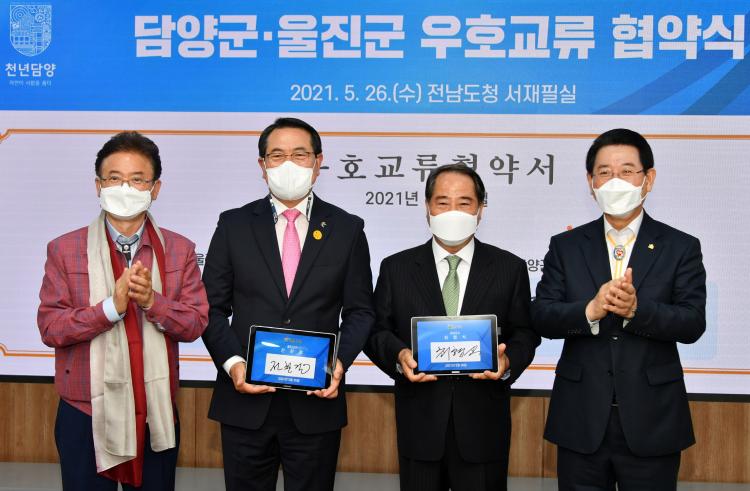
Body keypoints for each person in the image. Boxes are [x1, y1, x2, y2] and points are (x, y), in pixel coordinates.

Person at [201, 117, 375, 491]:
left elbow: (360, 311)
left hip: (316, 402)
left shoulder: (347, 228)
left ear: (318, 161)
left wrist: (339, 362)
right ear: (262, 166)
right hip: (245, 401)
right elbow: (210, 308)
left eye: (300, 154)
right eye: (277, 155)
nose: (289, 164)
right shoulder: (233, 225)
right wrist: (233, 365)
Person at [531, 128, 706, 490]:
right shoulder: (566, 246)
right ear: (590, 182)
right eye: (605, 172)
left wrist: (637, 311)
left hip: (652, 419)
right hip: (580, 418)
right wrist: (589, 311)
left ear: (648, 179)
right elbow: (542, 315)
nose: (615, 181)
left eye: (627, 171)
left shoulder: (680, 246)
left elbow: (692, 323)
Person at [37, 131, 209, 490]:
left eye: (137, 180)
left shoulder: (179, 250)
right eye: (114, 178)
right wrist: (109, 309)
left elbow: (195, 323)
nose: (125, 188)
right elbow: (51, 327)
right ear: (98, 185)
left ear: (155, 188)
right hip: (84, 410)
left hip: (155, 410)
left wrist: (152, 302)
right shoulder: (64, 249)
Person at [365, 163, 540, 491]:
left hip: (483, 427)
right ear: (427, 207)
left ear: (480, 209)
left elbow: (526, 333)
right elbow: (375, 331)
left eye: (464, 203)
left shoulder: (510, 268)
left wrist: (507, 362)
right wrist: (399, 356)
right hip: (420, 424)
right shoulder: (396, 268)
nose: (453, 211)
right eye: (443, 202)